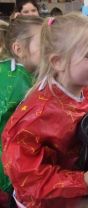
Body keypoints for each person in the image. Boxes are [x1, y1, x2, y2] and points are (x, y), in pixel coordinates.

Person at [2, 12, 88, 208]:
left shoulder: (84, 86)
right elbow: (24, 174)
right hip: (40, 201)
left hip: (71, 178)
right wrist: (80, 182)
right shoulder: (37, 114)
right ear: (57, 62)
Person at [0, 15, 43, 198]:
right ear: (18, 49)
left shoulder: (36, 73)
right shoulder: (13, 80)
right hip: (9, 169)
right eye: (45, 45)